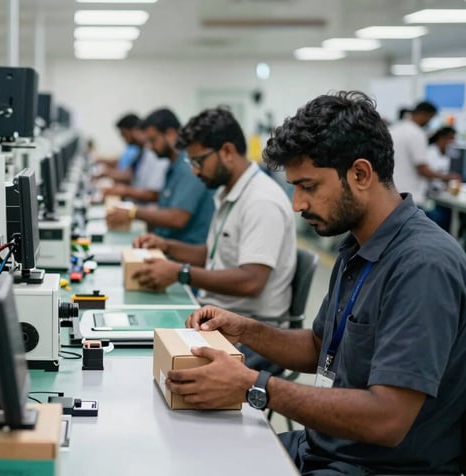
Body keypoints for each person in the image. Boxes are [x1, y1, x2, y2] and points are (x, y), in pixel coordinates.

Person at [165, 91, 466, 475]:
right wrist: (244, 329)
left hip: (374, 467)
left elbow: (387, 419)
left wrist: (253, 386)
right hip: (323, 447)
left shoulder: (422, 266)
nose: (297, 204)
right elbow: (320, 347)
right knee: (191, 451)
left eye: (308, 187)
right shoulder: (358, 245)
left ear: (360, 174)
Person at [131, 107, 295, 321]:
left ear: (227, 152)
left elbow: (251, 281)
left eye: (198, 162)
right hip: (217, 313)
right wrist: (166, 246)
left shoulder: (261, 200)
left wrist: (181, 272)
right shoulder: (229, 191)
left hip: (248, 328)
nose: (195, 171)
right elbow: (212, 254)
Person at [106, 108, 214, 245]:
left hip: (183, 253)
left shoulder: (188, 166)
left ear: (170, 134)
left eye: (153, 140)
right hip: (168, 245)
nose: (150, 147)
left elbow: (177, 218)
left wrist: (133, 213)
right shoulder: (173, 165)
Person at [390, 101, 460, 205]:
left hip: (391, 193)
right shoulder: (417, 133)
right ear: (423, 114)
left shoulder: (393, 130)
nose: (429, 122)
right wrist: (447, 177)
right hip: (411, 196)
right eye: (430, 118)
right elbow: (422, 169)